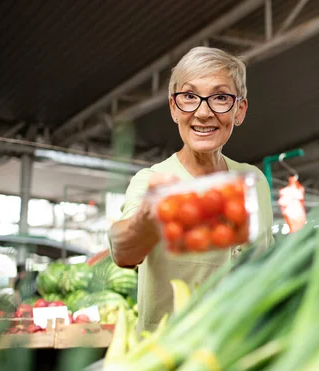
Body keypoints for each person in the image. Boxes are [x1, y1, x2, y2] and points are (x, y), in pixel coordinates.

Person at [109, 47, 274, 332]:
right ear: (174, 108)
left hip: (238, 352)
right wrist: (145, 223)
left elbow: (265, 269)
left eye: (220, 97)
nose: (203, 112)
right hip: (166, 360)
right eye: (189, 96)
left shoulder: (254, 181)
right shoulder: (152, 180)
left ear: (240, 110)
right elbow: (122, 251)